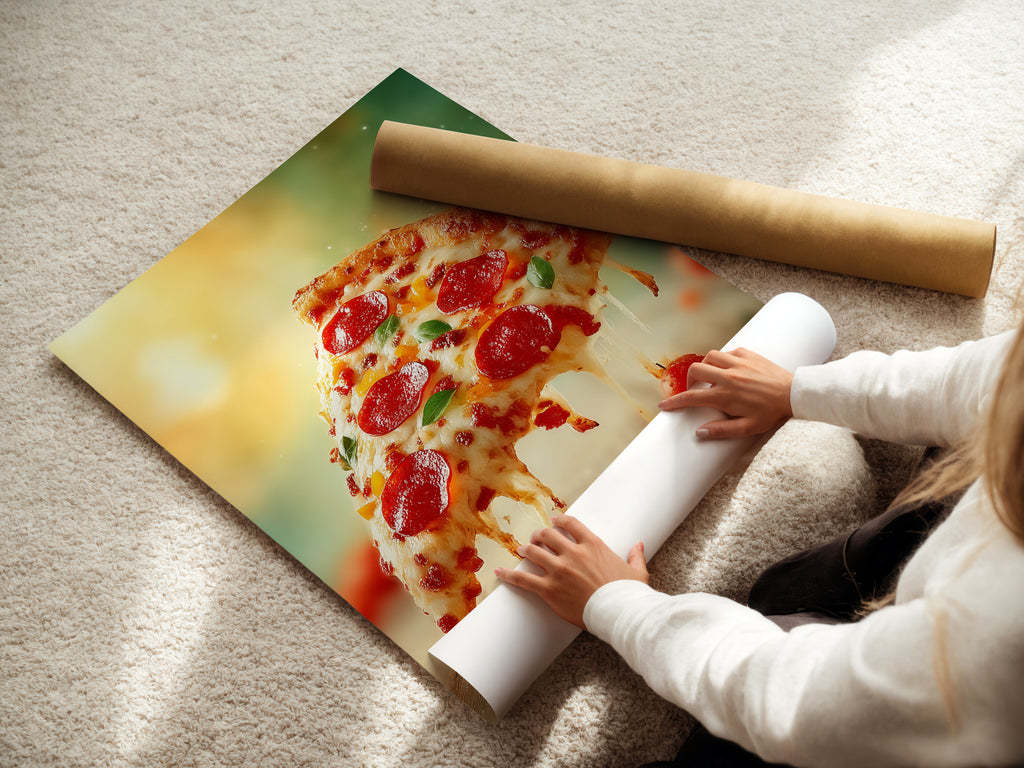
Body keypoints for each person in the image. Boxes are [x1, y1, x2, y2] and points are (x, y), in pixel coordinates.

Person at [495, 326, 1024, 767]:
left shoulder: (998, 636)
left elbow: (795, 701)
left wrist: (618, 605)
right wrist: (797, 390)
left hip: (947, 718)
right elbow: (986, 379)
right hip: (956, 609)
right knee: (788, 591)